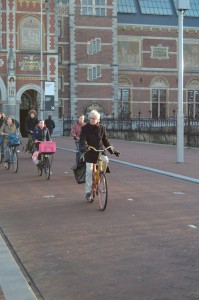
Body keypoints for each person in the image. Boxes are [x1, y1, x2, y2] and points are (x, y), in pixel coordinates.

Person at [79, 110, 120, 201]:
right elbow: (82, 139)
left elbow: (105, 141)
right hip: (89, 151)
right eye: (90, 118)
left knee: (105, 160)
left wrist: (113, 151)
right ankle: (88, 192)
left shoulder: (102, 128)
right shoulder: (85, 128)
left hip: (100, 150)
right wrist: (84, 146)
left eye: (93, 118)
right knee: (89, 171)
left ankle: (101, 176)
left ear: (98, 120)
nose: (91, 120)